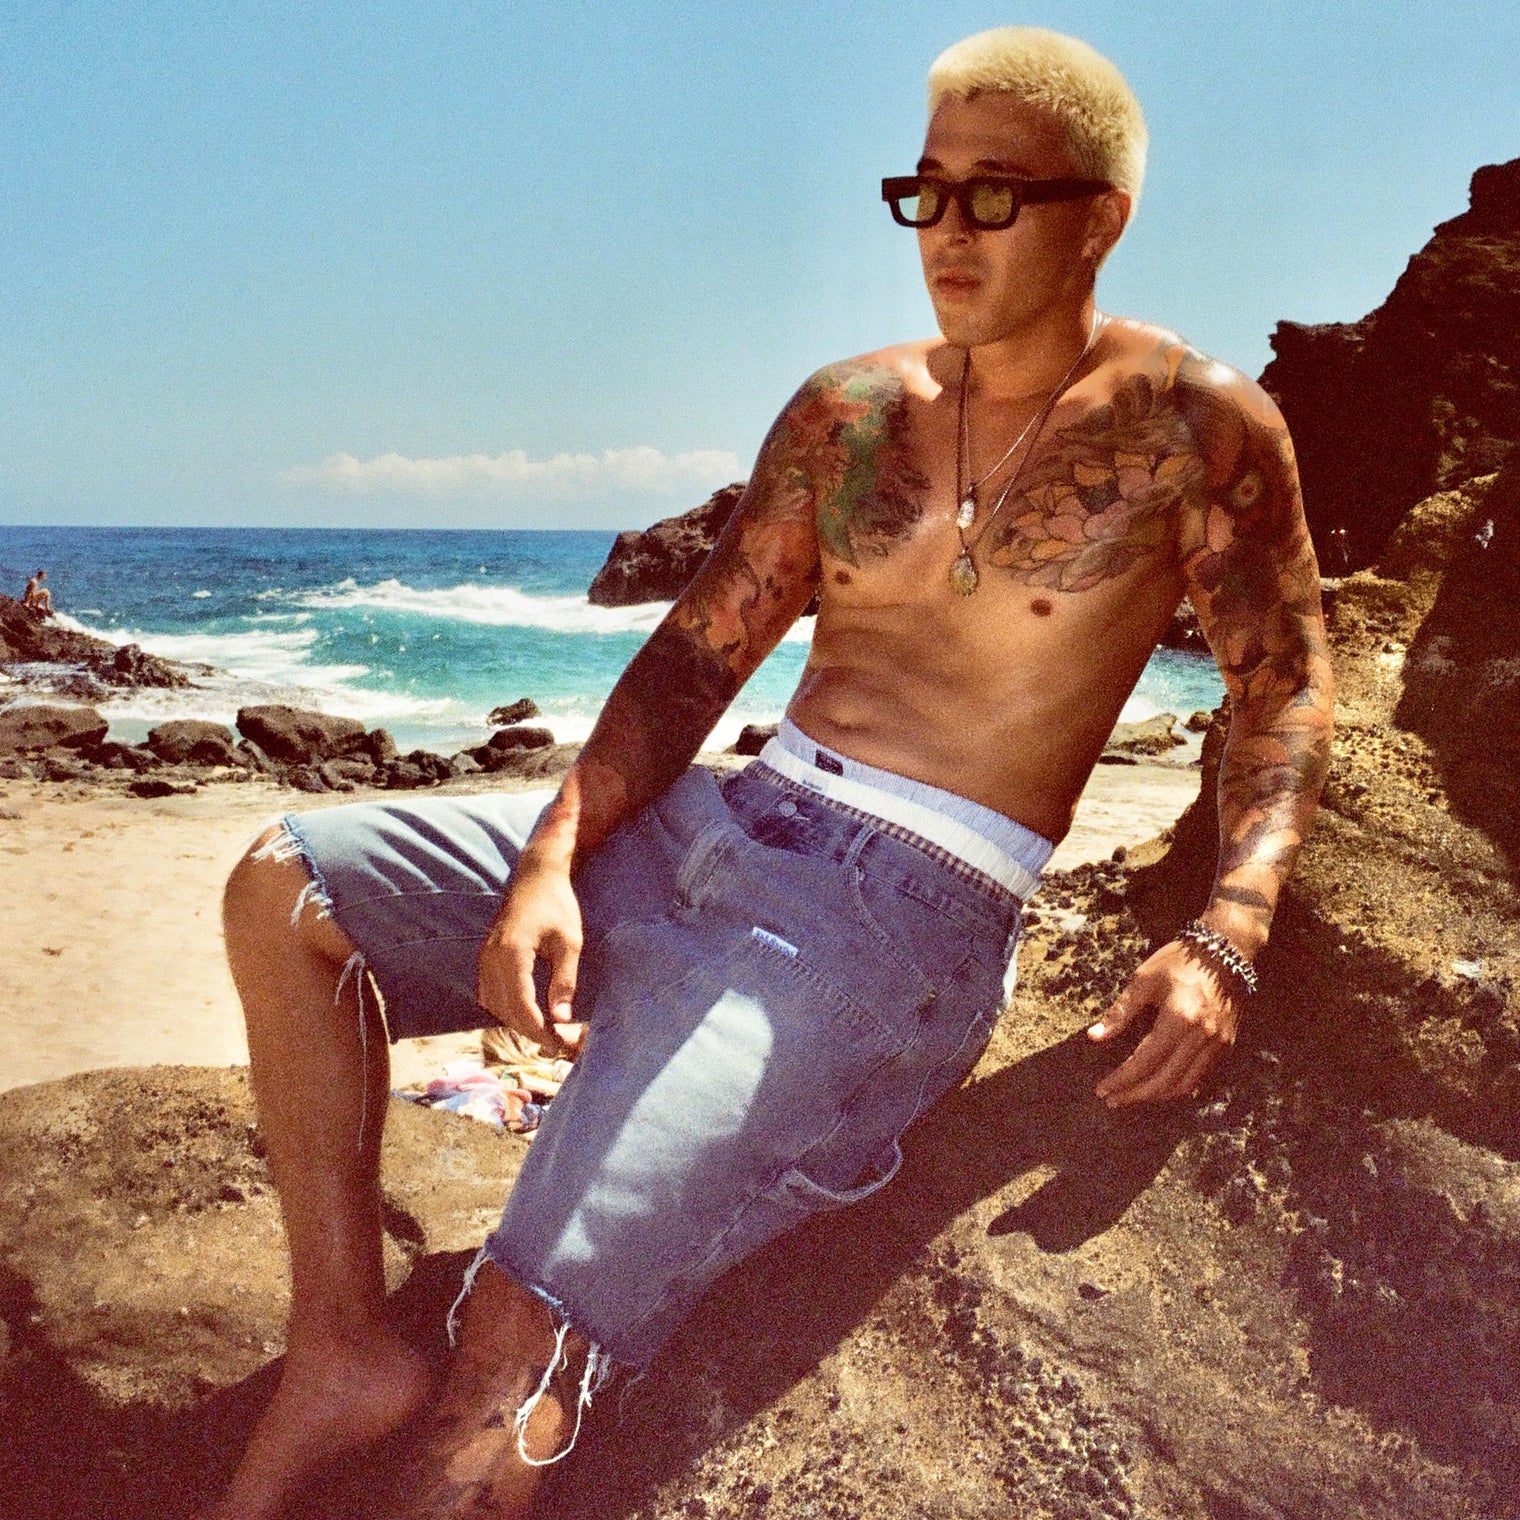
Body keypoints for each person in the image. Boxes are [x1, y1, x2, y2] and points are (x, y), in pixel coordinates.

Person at [210, 25, 1333, 1520]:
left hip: (892, 924)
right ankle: (342, 1337)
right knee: (285, 886)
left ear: (1101, 218)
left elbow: (1285, 680)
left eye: (995, 195)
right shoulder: (847, 410)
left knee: (512, 1346)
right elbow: (695, 656)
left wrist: (1228, 931)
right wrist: (553, 855)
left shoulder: (1200, 426)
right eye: (923, 190)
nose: (946, 229)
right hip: (714, 821)